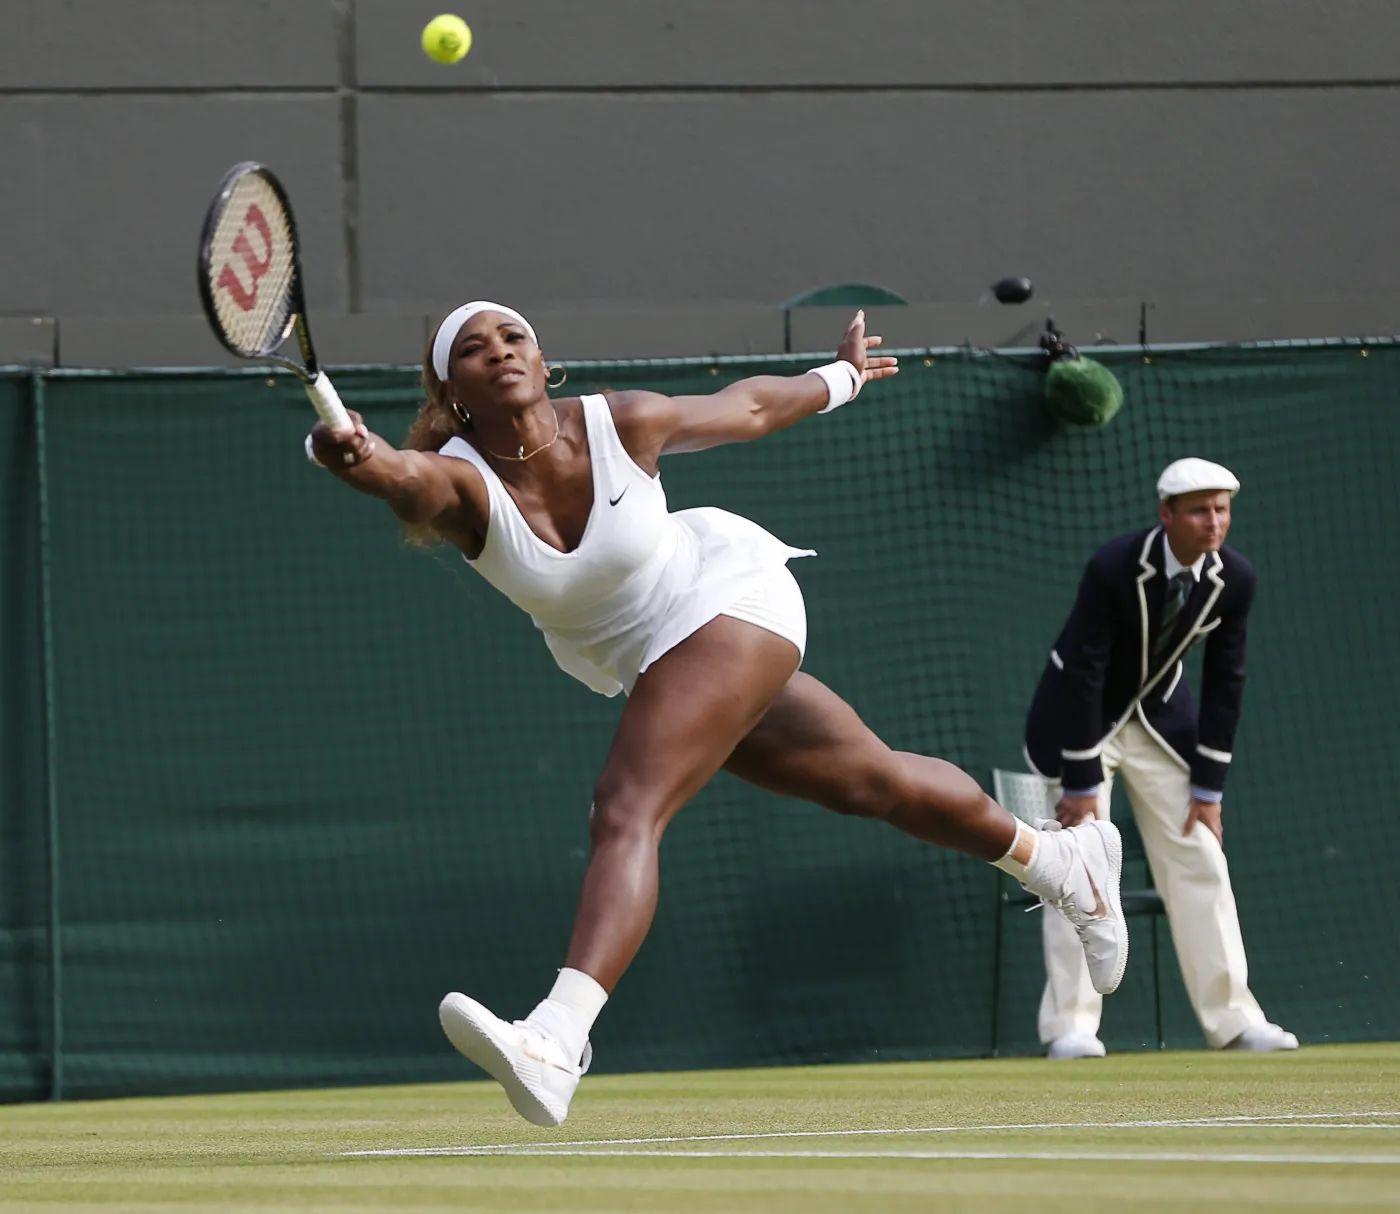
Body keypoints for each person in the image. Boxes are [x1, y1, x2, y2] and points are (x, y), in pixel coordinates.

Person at [307, 301, 1127, 1125]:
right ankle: (1063, 865)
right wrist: (346, 453)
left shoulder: (621, 422)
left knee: (626, 808)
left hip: (727, 600)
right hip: (649, 660)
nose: (501, 353)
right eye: (476, 351)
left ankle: (555, 1041)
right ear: (453, 391)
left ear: (541, 355)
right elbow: (399, 480)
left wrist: (839, 375)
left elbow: (753, 407)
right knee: (873, 783)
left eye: (512, 337)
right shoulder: (457, 480)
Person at [1024, 458, 1298, 1059]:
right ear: (1167, 514)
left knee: (1202, 855)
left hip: (1159, 724)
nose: (1213, 522)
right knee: (1076, 867)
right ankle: (1071, 1029)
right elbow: (1087, 670)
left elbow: (1228, 678)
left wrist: (1209, 789)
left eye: (1222, 509)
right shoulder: (1115, 566)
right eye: (1200, 510)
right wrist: (1080, 778)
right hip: (1080, 720)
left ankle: (1234, 1021)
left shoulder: (1236, 578)